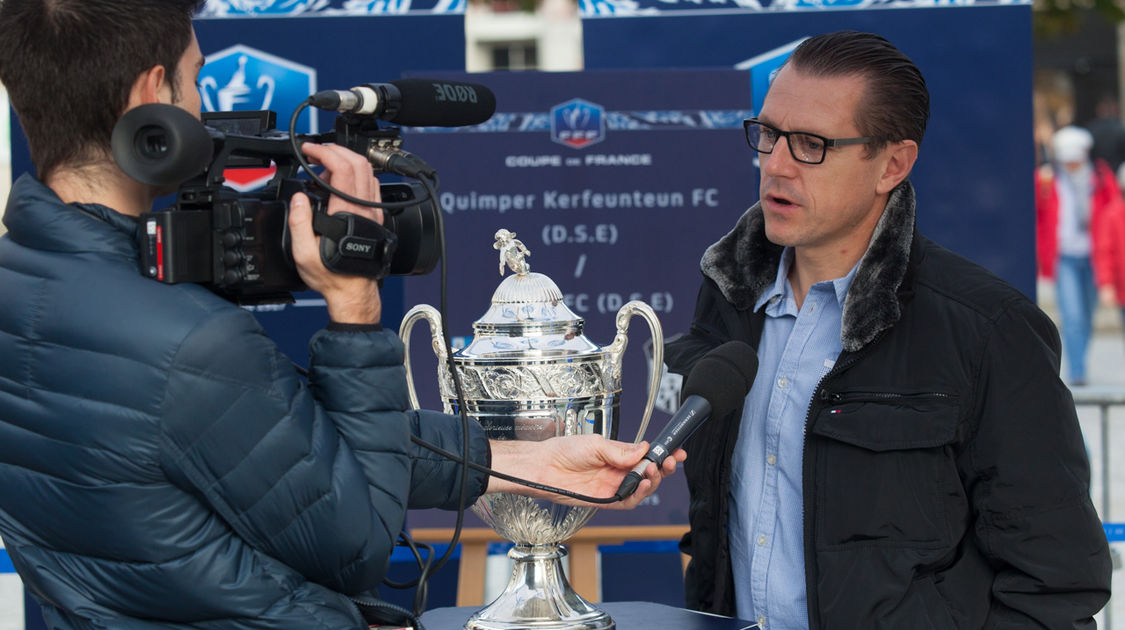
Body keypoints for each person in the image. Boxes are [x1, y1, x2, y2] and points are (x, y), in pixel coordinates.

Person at [0, 1, 682, 629]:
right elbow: (352, 543)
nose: (204, 106)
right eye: (195, 79)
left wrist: (527, 460)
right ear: (153, 97)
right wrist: (355, 307)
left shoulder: (23, 287)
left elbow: (282, 447)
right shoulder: (188, 343)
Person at [664, 30, 1111, 629]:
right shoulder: (727, 296)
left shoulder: (987, 329)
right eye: (768, 135)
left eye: (811, 144)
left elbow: (1055, 581)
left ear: (892, 164)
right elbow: (716, 526)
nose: (775, 164)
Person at [1036, 125, 1125, 385]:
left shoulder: (1099, 177)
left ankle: (1080, 358)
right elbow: (1040, 216)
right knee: (1072, 314)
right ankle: (1076, 370)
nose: (1072, 166)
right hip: (1064, 254)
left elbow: (1112, 213)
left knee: (1086, 313)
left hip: (1094, 253)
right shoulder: (1048, 179)